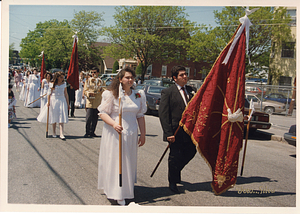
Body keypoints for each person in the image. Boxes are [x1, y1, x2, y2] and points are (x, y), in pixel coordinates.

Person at [97, 67, 146, 206]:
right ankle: (116, 192)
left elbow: (140, 116)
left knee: (128, 161)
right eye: (127, 77)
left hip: (131, 133)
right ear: (120, 79)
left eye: (132, 77)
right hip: (116, 133)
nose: (130, 80)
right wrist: (113, 124)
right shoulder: (112, 94)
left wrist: (143, 134)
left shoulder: (138, 95)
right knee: (117, 161)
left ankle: (126, 190)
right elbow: (102, 113)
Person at [158, 65, 197, 194]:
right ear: (175, 78)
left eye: (185, 74)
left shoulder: (191, 90)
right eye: (181, 75)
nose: (185, 77)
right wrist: (168, 133)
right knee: (175, 156)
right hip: (175, 131)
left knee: (191, 152)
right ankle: (173, 182)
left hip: (189, 131)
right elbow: (163, 114)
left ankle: (176, 170)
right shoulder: (168, 92)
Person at [37, 71, 70, 140]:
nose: (62, 78)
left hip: (62, 100)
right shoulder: (52, 84)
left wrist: (68, 103)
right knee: (54, 116)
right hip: (54, 100)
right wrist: (48, 102)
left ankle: (61, 133)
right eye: (61, 77)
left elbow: (66, 94)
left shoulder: (64, 84)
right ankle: (54, 132)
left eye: (63, 77)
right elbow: (49, 93)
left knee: (61, 116)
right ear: (57, 77)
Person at [83, 68, 103, 138]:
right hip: (90, 102)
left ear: (98, 73)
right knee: (88, 117)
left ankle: (92, 132)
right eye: (92, 72)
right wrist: (89, 93)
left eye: (94, 72)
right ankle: (87, 132)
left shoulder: (101, 81)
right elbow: (85, 90)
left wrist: (101, 89)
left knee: (95, 118)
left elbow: (104, 89)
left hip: (97, 102)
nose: (93, 74)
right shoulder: (88, 81)